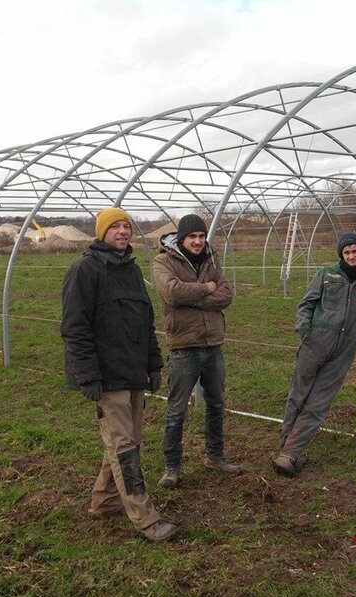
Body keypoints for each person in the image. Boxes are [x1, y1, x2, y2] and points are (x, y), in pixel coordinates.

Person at [60, 207, 177, 542]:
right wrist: (88, 375)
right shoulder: (86, 270)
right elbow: (74, 328)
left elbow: (146, 322)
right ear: (102, 233)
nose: (123, 232)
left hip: (133, 371)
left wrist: (153, 363)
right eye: (115, 227)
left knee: (127, 441)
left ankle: (105, 500)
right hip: (106, 375)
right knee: (124, 444)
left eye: (126, 226)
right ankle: (145, 517)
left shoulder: (131, 270)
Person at [153, 214, 243, 489]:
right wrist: (205, 288)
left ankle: (215, 456)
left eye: (202, 236)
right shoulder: (163, 261)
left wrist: (193, 300)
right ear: (182, 238)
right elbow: (171, 293)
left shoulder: (212, 259)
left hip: (213, 344)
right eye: (193, 237)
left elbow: (227, 294)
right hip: (184, 345)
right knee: (177, 409)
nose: (198, 241)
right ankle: (172, 467)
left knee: (216, 404)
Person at [272, 232, 356, 478]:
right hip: (316, 343)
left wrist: (354, 340)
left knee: (319, 403)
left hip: (343, 351)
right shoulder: (326, 275)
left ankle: (291, 452)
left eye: (355, 251)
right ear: (341, 254)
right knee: (299, 394)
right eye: (347, 252)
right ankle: (286, 442)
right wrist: (306, 331)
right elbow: (306, 304)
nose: (351, 255)